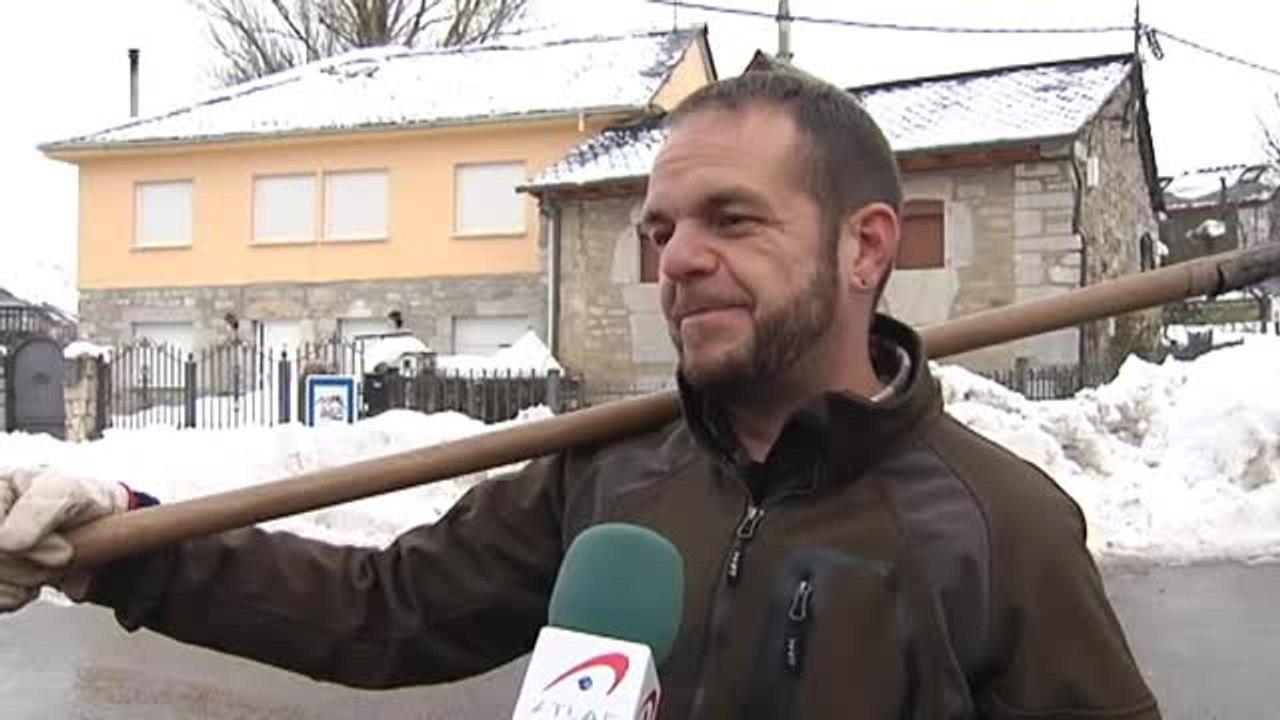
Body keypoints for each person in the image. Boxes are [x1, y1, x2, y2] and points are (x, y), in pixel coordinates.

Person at [0, 71, 1160, 719]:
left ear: (865, 249)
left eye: (732, 221)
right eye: (659, 231)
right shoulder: (610, 472)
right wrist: (119, 546)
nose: (675, 260)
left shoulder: (997, 528)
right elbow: (379, 609)